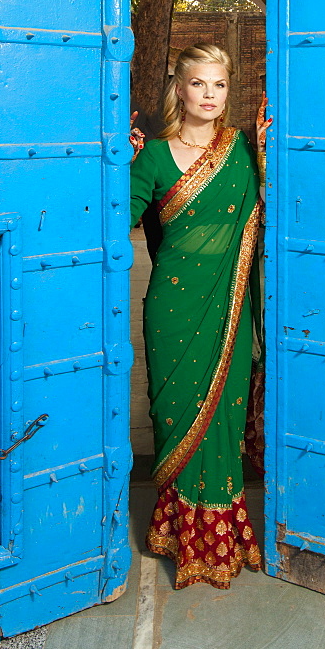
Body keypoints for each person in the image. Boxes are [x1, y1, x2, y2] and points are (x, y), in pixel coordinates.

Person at [129, 43, 272, 589]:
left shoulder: (243, 149)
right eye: (199, 84)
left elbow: (280, 204)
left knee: (222, 420)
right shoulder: (155, 156)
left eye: (219, 85)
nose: (210, 96)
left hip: (230, 307)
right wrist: (111, 161)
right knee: (177, 416)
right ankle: (175, 528)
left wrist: (271, 147)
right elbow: (119, 216)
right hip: (173, 306)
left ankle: (219, 536)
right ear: (179, 88)